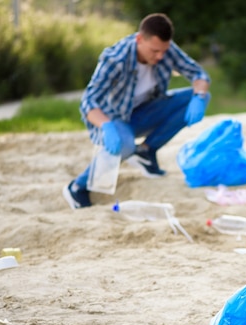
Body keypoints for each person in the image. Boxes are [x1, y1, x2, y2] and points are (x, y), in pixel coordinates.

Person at [63, 13, 211, 209]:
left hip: (147, 111)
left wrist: (199, 96)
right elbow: (88, 101)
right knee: (124, 146)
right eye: (155, 51)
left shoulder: (166, 50)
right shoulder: (115, 59)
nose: (160, 57)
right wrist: (106, 126)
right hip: (115, 119)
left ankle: (146, 152)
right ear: (139, 39)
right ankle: (77, 187)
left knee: (200, 96)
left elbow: (198, 74)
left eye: (164, 51)